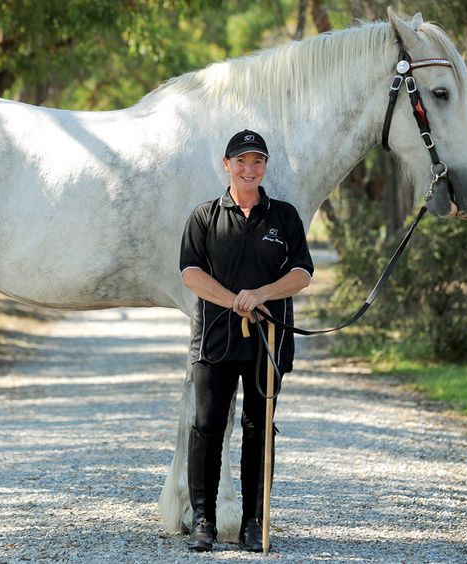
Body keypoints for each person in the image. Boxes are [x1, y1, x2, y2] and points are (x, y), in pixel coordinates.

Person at [179, 129, 314, 552]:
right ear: (227, 165)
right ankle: (203, 520)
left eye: (257, 162)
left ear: (265, 167)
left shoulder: (285, 217)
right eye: (241, 161)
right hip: (215, 341)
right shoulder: (204, 216)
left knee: (259, 429)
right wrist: (235, 301)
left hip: (267, 341)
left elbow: (303, 273)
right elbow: (190, 272)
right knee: (207, 427)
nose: (249, 169)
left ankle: (255, 523)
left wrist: (262, 295)